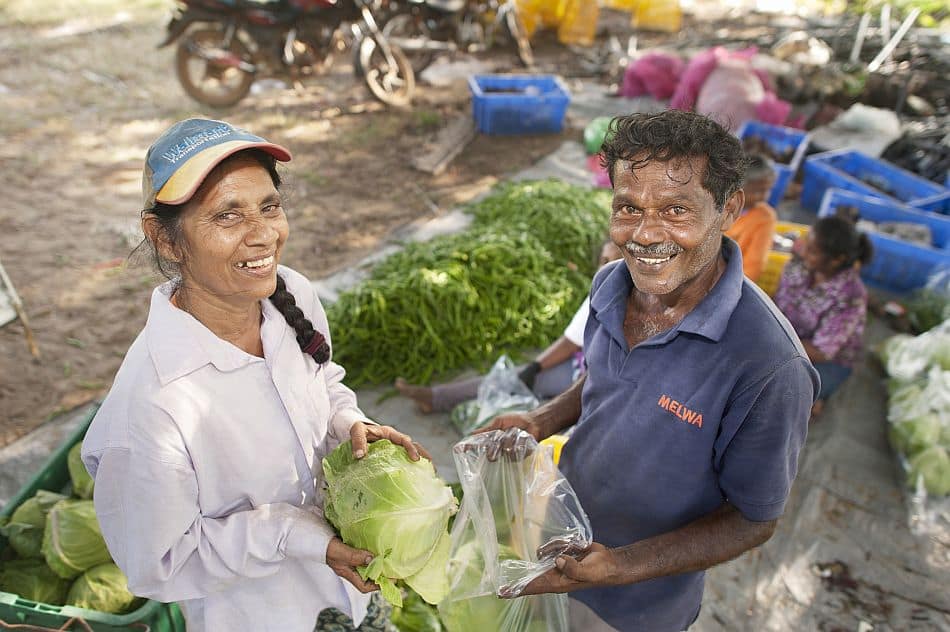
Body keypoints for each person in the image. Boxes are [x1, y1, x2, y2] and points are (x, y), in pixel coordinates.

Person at [81, 119, 428, 632]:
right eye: (228, 215)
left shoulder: (291, 295)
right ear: (165, 239)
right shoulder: (153, 407)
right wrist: (293, 534)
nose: (264, 234)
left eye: (270, 206)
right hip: (264, 616)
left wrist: (348, 422)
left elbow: (323, 376)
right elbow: (158, 564)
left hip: (354, 592)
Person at [478, 110, 818, 632]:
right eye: (628, 208)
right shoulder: (610, 285)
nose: (645, 234)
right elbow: (607, 378)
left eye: (677, 209)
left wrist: (619, 566)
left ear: (728, 209)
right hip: (561, 537)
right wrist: (542, 420)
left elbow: (754, 519)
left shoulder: (769, 366)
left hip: (643, 604)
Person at [393, 241, 622, 415]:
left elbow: (571, 341)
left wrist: (535, 367)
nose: (603, 266)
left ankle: (435, 398)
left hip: (597, 379)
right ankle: (435, 397)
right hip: (588, 368)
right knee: (510, 380)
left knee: (527, 394)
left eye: (608, 261)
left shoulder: (607, 287)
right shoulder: (616, 284)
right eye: (603, 260)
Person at [774, 216, 872, 418]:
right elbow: (776, 304)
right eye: (806, 242)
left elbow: (820, 351)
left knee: (782, 395)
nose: (802, 250)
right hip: (781, 339)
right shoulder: (798, 263)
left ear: (837, 260)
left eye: (812, 251)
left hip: (827, 361)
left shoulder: (851, 296)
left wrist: (770, 345)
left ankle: (815, 399)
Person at [724, 152, 777, 282]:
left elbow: (755, 264)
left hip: (732, 280)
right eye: (757, 191)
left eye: (767, 190)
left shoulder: (765, 218)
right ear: (736, 187)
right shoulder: (719, 204)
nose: (763, 197)